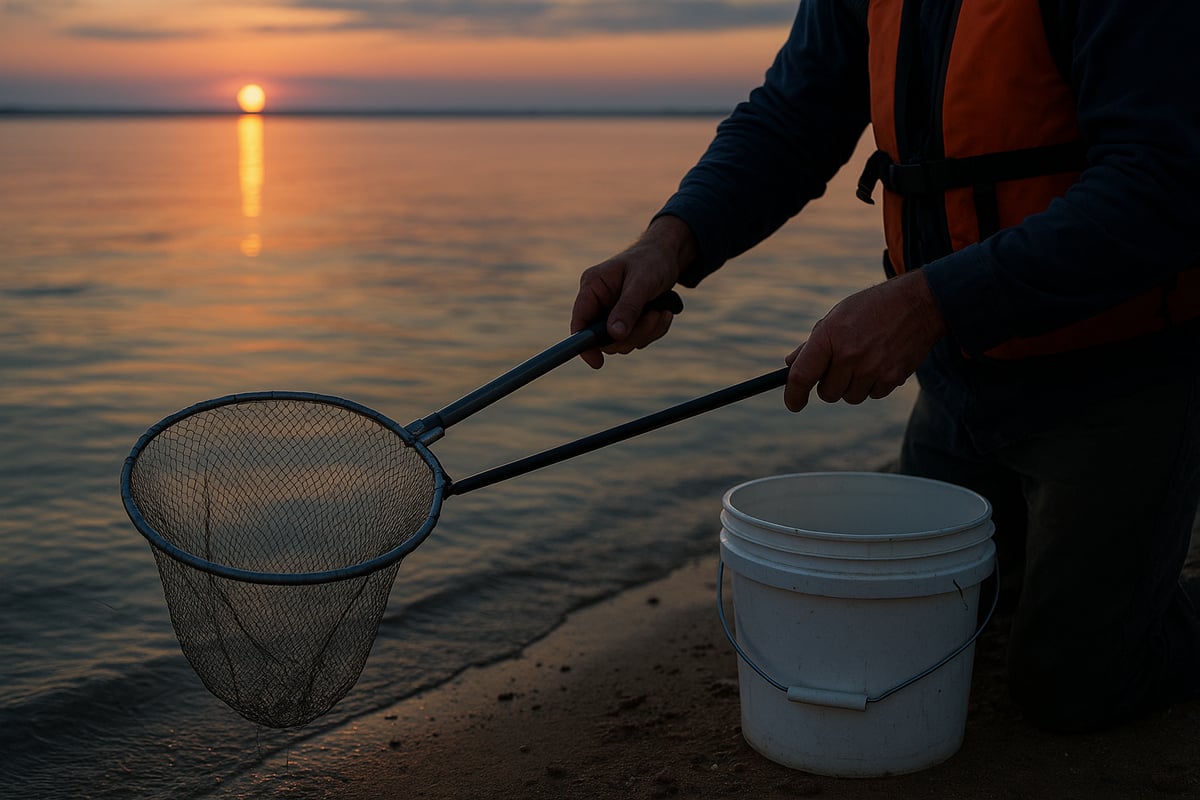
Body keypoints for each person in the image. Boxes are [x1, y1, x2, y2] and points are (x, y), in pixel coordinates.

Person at [570, 0, 1200, 733]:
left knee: (1075, 684)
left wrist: (926, 305)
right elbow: (791, 118)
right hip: (958, 380)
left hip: (1119, 370)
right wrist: (667, 243)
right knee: (923, 623)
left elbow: (1165, 184)